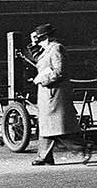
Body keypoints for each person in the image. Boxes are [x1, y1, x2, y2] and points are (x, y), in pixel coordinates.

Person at [29, 24, 84, 165]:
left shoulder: (56, 49)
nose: (38, 42)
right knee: (48, 125)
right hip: (48, 94)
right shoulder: (46, 49)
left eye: (40, 39)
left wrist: (42, 79)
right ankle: (44, 157)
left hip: (55, 94)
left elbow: (59, 71)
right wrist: (33, 43)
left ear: (47, 38)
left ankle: (83, 149)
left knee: (57, 127)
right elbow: (36, 58)